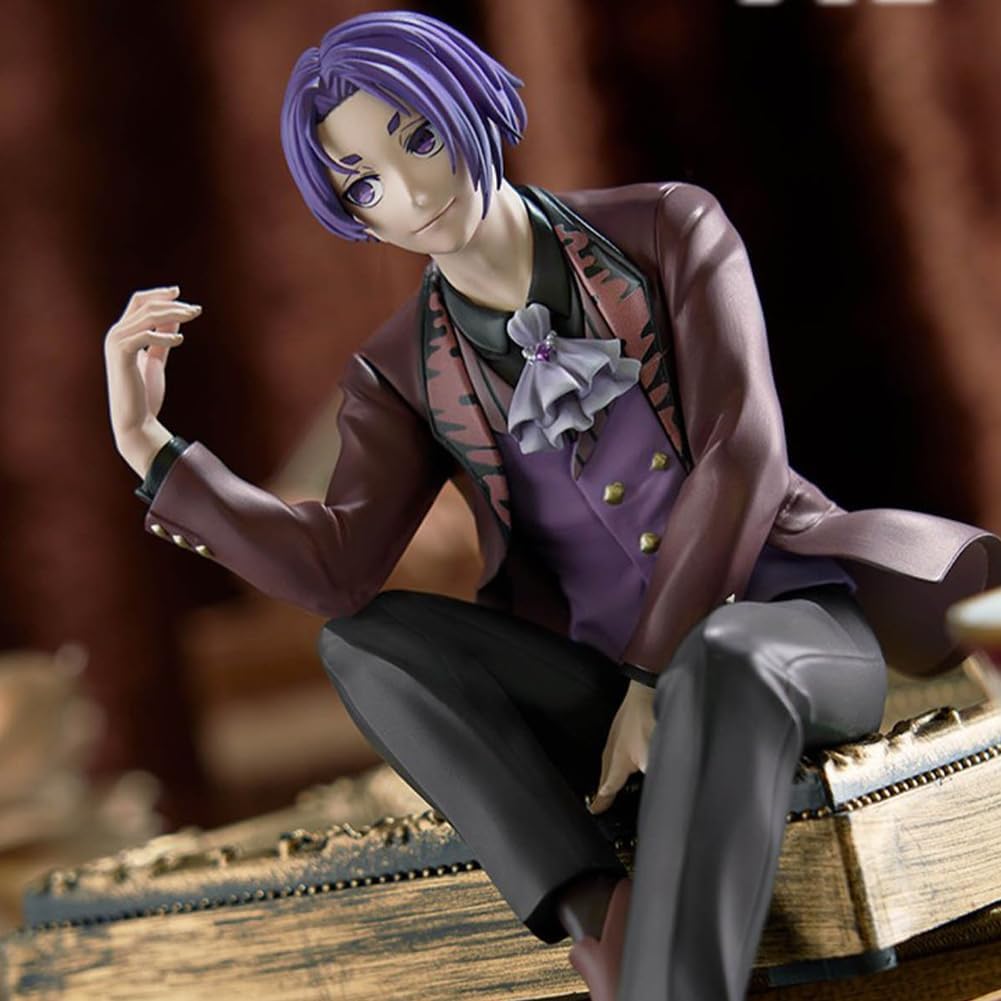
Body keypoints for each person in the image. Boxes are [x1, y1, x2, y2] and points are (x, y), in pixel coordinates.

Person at [103, 11, 1001, 1000]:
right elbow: (335, 569)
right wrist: (152, 447)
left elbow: (739, 452)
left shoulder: (666, 228)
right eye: (363, 183)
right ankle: (601, 917)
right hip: (596, 684)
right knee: (364, 643)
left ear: (470, 103)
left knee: (726, 654)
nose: (410, 192)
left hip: (792, 635)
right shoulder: (399, 369)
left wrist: (655, 673)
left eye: (418, 137)